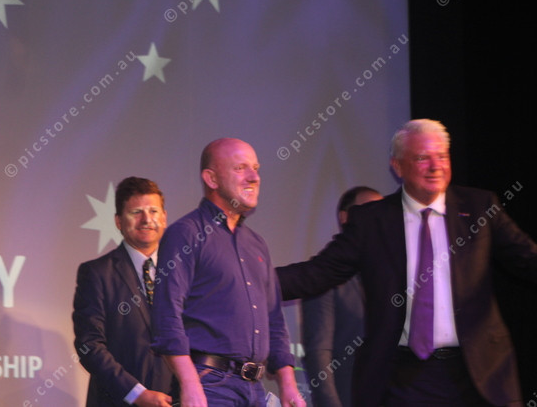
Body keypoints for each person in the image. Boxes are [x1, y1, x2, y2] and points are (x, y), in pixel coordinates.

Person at [276, 119, 537, 407]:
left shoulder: (479, 208)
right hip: (403, 379)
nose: (435, 166)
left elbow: (528, 258)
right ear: (398, 166)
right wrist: (250, 282)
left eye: (442, 156)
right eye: (423, 158)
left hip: (478, 375)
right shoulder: (371, 220)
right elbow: (318, 273)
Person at [151, 138, 305, 407]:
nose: (254, 177)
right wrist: (190, 384)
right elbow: (167, 315)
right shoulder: (185, 234)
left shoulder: (256, 244)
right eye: (240, 168)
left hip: (254, 389)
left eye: (256, 168)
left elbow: (274, 320)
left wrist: (288, 385)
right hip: (209, 385)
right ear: (211, 179)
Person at [73, 177, 174, 407]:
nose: (147, 219)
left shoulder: (183, 272)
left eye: (153, 211)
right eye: (136, 212)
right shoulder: (96, 273)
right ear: (118, 221)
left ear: (164, 218)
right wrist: (137, 394)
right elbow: (90, 345)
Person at [301, 186, 382, 407]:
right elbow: (319, 352)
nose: (379, 219)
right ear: (345, 218)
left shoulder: (391, 275)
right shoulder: (324, 275)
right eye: (370, 210)